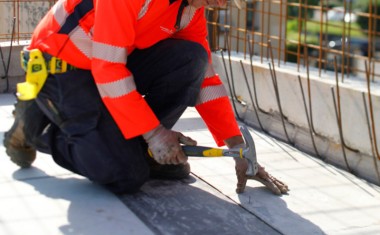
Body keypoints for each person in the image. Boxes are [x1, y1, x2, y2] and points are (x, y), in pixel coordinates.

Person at [4, 0, 288, 195]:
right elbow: (109, 68)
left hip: (108, 60)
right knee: (125, 174)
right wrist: (154, 133)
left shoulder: (189, 8)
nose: (223, 5)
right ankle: (39, 128)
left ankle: (141, 148)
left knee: (192, 58)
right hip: (64, 64)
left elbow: (206, 81)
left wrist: (238, 147)